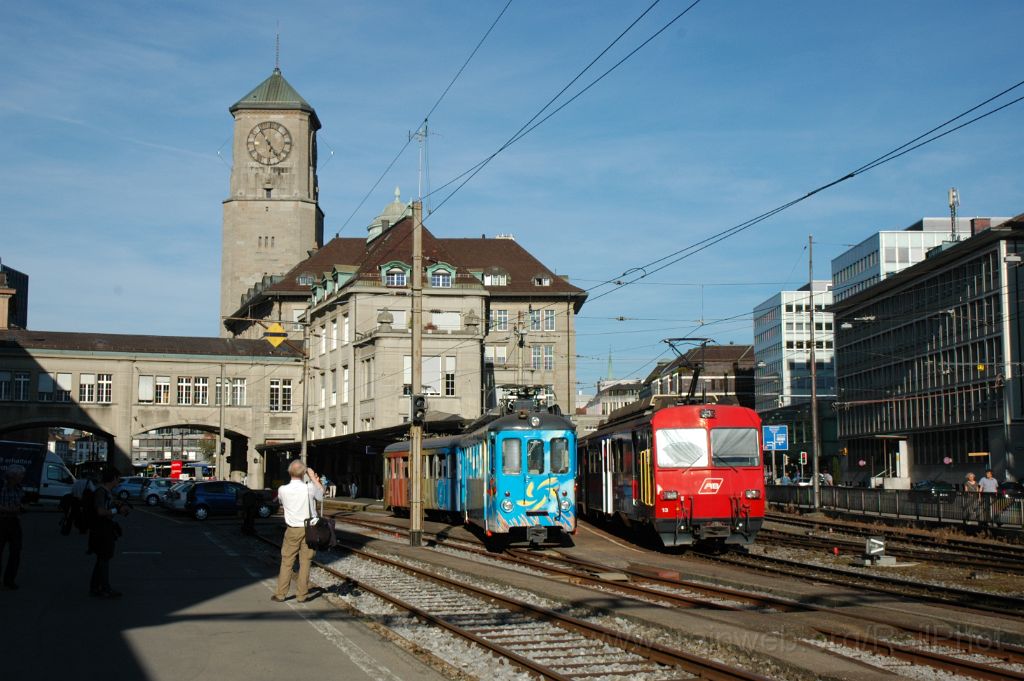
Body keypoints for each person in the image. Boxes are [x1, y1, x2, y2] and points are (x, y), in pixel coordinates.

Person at [272, 459, 323, 603]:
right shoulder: (309, 488)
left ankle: (281, 594)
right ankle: (302, 595)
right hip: (309, 530)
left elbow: (280, 501)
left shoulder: (282, 489)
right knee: (305, 562)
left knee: (287, 562)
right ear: (303, 473)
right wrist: (313, 478)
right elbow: (321, 495)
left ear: (289, 472)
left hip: (292, 530)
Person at [89, 466, 129, 598]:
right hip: (101, 529)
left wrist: (118, 506)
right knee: (104, 559)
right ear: (112, 479)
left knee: (102, 559)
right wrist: (116, 511)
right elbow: (100, 511)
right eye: (118, 479)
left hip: (104, 528)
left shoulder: (106, 491)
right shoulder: (101, 492)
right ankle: (105, 588)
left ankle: (95, 587)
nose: (118, 482)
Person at [0, 465, 27, 590]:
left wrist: (21, 508)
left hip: (14, 521)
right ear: (13, 476)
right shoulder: (2, 487)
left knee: (16, 551)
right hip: (2, 520)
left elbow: (22, 503)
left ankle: (9, 579)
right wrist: (8, 509)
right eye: (20, 475)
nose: (22, 477)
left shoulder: (19, 488)